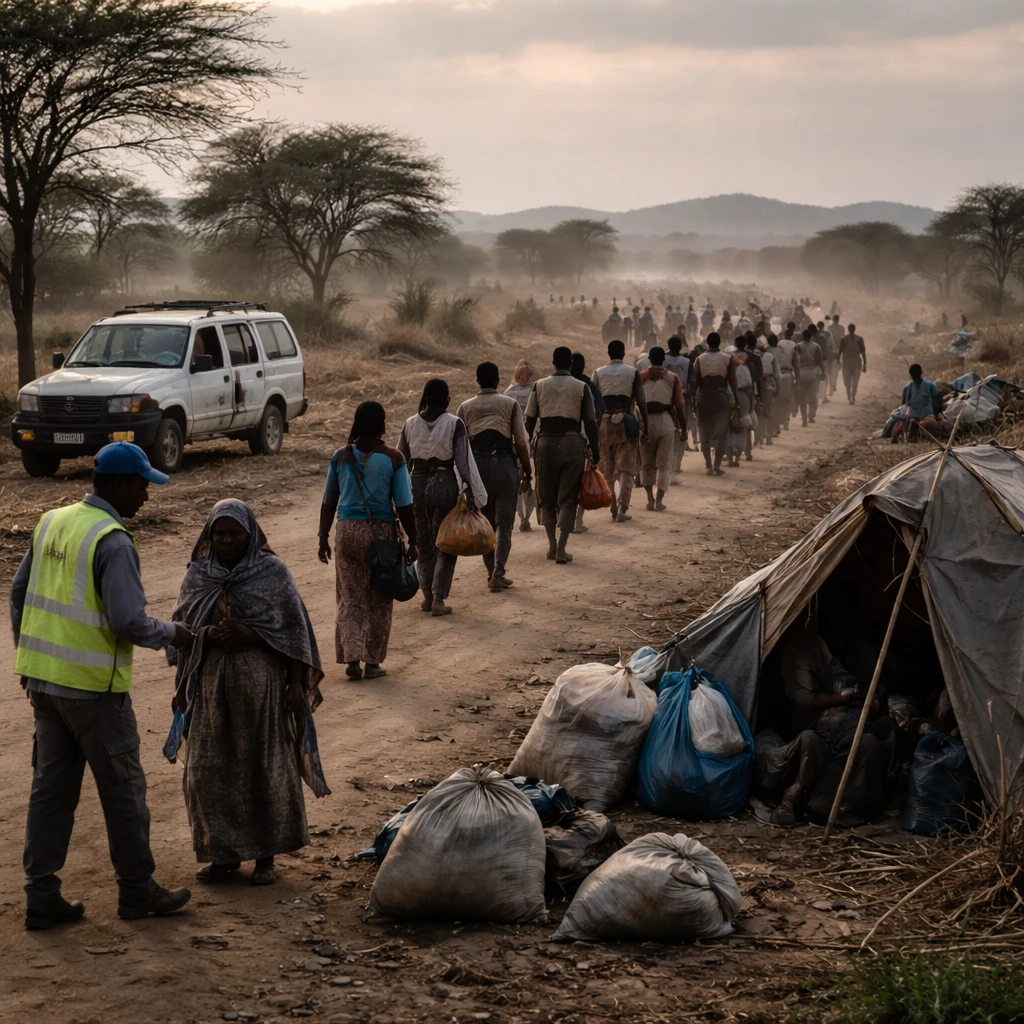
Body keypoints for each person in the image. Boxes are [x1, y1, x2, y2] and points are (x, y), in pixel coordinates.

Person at [11, 442, 194, 929]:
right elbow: (127, 621)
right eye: (141, 485)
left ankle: (41, 895)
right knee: (124, 792)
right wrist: (173, 633)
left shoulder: (52, 521)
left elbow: (18, 593)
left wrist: (28, 655)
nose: (146, 496)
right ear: (117, 484)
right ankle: (136, 891)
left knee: (50, 792)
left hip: (44, 685)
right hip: (93, 691)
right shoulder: (113, 540)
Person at [173, 500, 326, 886]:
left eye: (235, 533)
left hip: (261, 686)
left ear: (251, 534)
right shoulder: (198, 574)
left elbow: (294, 632)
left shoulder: (273, 572)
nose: (226, 540)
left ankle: (265, 856)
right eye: (219, 533)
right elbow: (180, 631)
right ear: (209, 536)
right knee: (207, 770)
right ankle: (222, 856)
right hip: (211, 686)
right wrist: (208, 635)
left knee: (261, 766)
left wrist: (292, 679)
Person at [759, 623, 893, 826]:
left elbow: (880, 713)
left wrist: (870, 705)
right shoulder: (812, 653)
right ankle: (792, 800)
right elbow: (803, 700)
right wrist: (838, 700)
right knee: (808, 740)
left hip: (852, 738)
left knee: (869, 743)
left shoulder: (865, 660)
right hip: (825, 734)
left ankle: (851, 806)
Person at [319, 401, 417, 676]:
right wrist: (414, 539)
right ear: (382, 424)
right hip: (381, 535)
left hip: (347, 531)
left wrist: (322, 537)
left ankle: (352, 658)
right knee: (379, 598)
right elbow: (405, 504)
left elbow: (328, 501)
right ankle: (372, 663)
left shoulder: (340, 456)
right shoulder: (394, 458)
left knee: (350, 596)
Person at [398, 379, 488, 617]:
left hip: (416, 484)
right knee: (446, 541)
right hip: (444, 484)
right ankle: (439, 597)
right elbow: (463, 462)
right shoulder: (454, 423)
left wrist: (397, 495)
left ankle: (427, 596)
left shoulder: (409, 423)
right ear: (446, 398)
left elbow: (401, 462)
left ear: (425, 397)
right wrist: (471, 489)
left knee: (422, 541)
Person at [457, 362, 533, 591]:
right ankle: (499, 570)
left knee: (486, 524)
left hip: (478, 469)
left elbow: (460, 447)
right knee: (505, 525)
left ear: (477, 381)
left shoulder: (465, 407)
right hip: (505, 466)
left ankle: (492, 574)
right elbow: (521, 441)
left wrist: (463, 479)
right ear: (498, 380)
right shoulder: (509, 404)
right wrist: (527, 470)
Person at [525, 346, 600, 564]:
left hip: (545, 444)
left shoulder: (538, 385)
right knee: (568, 497)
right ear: (571, 365)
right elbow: (590, 421)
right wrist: (595, 450)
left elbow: (529, 421)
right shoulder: (582, 387)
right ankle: (562, 548)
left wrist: (526, 449)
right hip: (572, 443)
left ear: (553, 363)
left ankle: (551, 545)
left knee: (546, 497)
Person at [593, 340, 649, 523]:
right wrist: (645, 425)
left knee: (607, 467)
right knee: (627, 468)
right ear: (623, 353)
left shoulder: (598, 373)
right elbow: (641, 401)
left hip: (605, 423)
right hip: (626, 421)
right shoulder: (632, 372)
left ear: (608, 353)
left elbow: (593, 403)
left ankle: (612, 503)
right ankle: (622, 506)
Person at [639, 347, 687, 511]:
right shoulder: (673, 378)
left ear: (649, 359)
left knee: (646, 463)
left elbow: (634, 403)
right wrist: (684, 428)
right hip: (666, 421)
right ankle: (659, 501)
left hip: (645, 422)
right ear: (663, 359)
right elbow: (679, 406)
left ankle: (650, 499)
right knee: (664, 464)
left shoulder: (640, 376)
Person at [693, 332, 738, 477]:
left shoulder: (700, 359)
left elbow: (695, 382)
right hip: (721, 397)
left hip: (704, 397)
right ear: (719, 342)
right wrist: (736, 399)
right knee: (722, 434)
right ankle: (717, 466)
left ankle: (708, 465)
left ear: (707, 343)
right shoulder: (727, 358)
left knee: (704, 432)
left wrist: (695, 400)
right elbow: (732, 381)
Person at [570, 351, 603, 533]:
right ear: (583, 367)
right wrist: (595, 447)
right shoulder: (587, 385)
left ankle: (561, 518)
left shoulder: (548, 384)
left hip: (552, 438)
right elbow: (595, 414)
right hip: (581, 439)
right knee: (581, 481)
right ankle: (577, 521)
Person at [505, 359, 538, 532]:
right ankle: (527, 517)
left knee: (517, 481)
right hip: (531, 441)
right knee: (530, 478)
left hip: (512, 442)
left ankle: (522, 517)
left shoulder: (508, 392)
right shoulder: (535, 391)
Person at [664, 335, 695, 470]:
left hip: (665, 398)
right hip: (683, 398)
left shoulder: (661, 359)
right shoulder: (687, 362)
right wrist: (693, 399)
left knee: (667, 430)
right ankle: (677, 463)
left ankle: (667, 461)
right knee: (682, 429)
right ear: (681, 347)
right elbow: (692, 382)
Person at [727, 338, 757, 466]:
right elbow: (750, 386)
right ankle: (737, 459)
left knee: (729, 426)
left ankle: (729, 459)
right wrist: (752, 402)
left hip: (728, 395)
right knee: (743, 426)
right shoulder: (748, 364)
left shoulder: (727, 360)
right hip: (744, 395)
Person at [902, 364, 943, 439]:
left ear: (920, 373)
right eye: (913, 376)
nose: (914, 378)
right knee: (909, 426)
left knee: (931, 424)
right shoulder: (908, 387)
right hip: (913, 416)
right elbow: (904, 403)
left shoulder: (930, 385)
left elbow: (938, 398)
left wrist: (937, 412)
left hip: (927, 415)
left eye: (916, 376)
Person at [794, 327, 824, 427]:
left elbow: (795, 361)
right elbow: (819, 361)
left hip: (801, 374)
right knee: (813, 397)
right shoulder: (816, 346)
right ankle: (811, 416)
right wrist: (823, 372)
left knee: (802, 399)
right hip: (813, 374)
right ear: (811, 336)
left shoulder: (798, 346)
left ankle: (804, 421)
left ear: (802, 336)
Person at [757, 334, 783, 445]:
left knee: (758, 412)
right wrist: (778, 388)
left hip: (755, 386)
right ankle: (768, 437)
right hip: (768, 385)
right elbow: (777, 375)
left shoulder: (751, 356)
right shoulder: (770, 356)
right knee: (768, 412)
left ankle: (759, 437)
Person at [838, 324, 867, 404]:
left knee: (854, 382)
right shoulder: (845, 339)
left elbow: (863, 352)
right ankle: (850, 395)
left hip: (853, 362)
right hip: (849, 362)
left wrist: (865, 364)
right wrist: (864, 364)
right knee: (848, 381)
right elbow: (840, 351)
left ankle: (852, 397)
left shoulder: (858, 339)